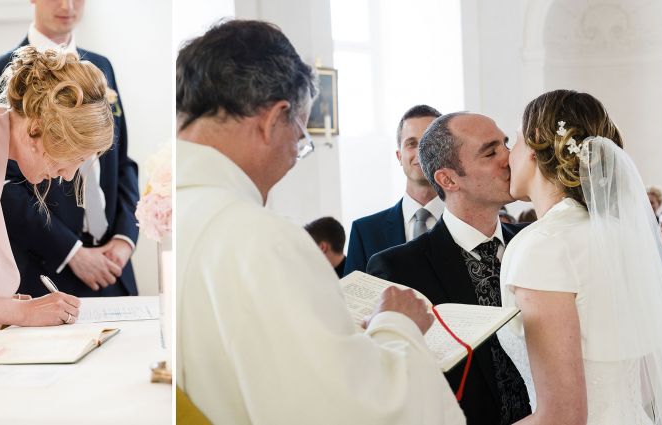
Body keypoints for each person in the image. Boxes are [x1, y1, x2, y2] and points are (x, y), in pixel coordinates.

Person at [176, 20, 464, 425]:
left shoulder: (171, 214)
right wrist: (397, 325)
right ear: (274, 119)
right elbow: (354, 410)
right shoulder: (263, 241)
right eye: (300, 136)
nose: (296, 154)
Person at [500, 89, 662, 424]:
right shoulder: (622, 236)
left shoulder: (543, 244)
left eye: (515, 140)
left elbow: (562, 416)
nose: (508, 155)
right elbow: (647, 383)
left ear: (535, 143)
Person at [0, 46, 114, 364]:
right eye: (73, 158)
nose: (67, 175)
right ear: (36, 130)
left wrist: (3, 303)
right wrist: (22, 312)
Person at [367, 112, 531, 425]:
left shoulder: (533, 242)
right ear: (448, 179)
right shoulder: (399, 269)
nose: (509, 158)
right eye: (490, 151)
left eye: (506, 145)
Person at [0, 0, 139, 298]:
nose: (67, 5)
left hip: (113, 269)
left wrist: (125, 238)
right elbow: (0, 184)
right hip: (47, 271)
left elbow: (121, 162)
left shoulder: (102, 67)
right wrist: (72, 253)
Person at [344, 105, 444, 274]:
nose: (421, 152)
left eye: (430, 142)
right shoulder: (365, 232)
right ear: (399, 156)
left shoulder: (466, 223)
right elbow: (353, 299)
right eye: (411, 144)